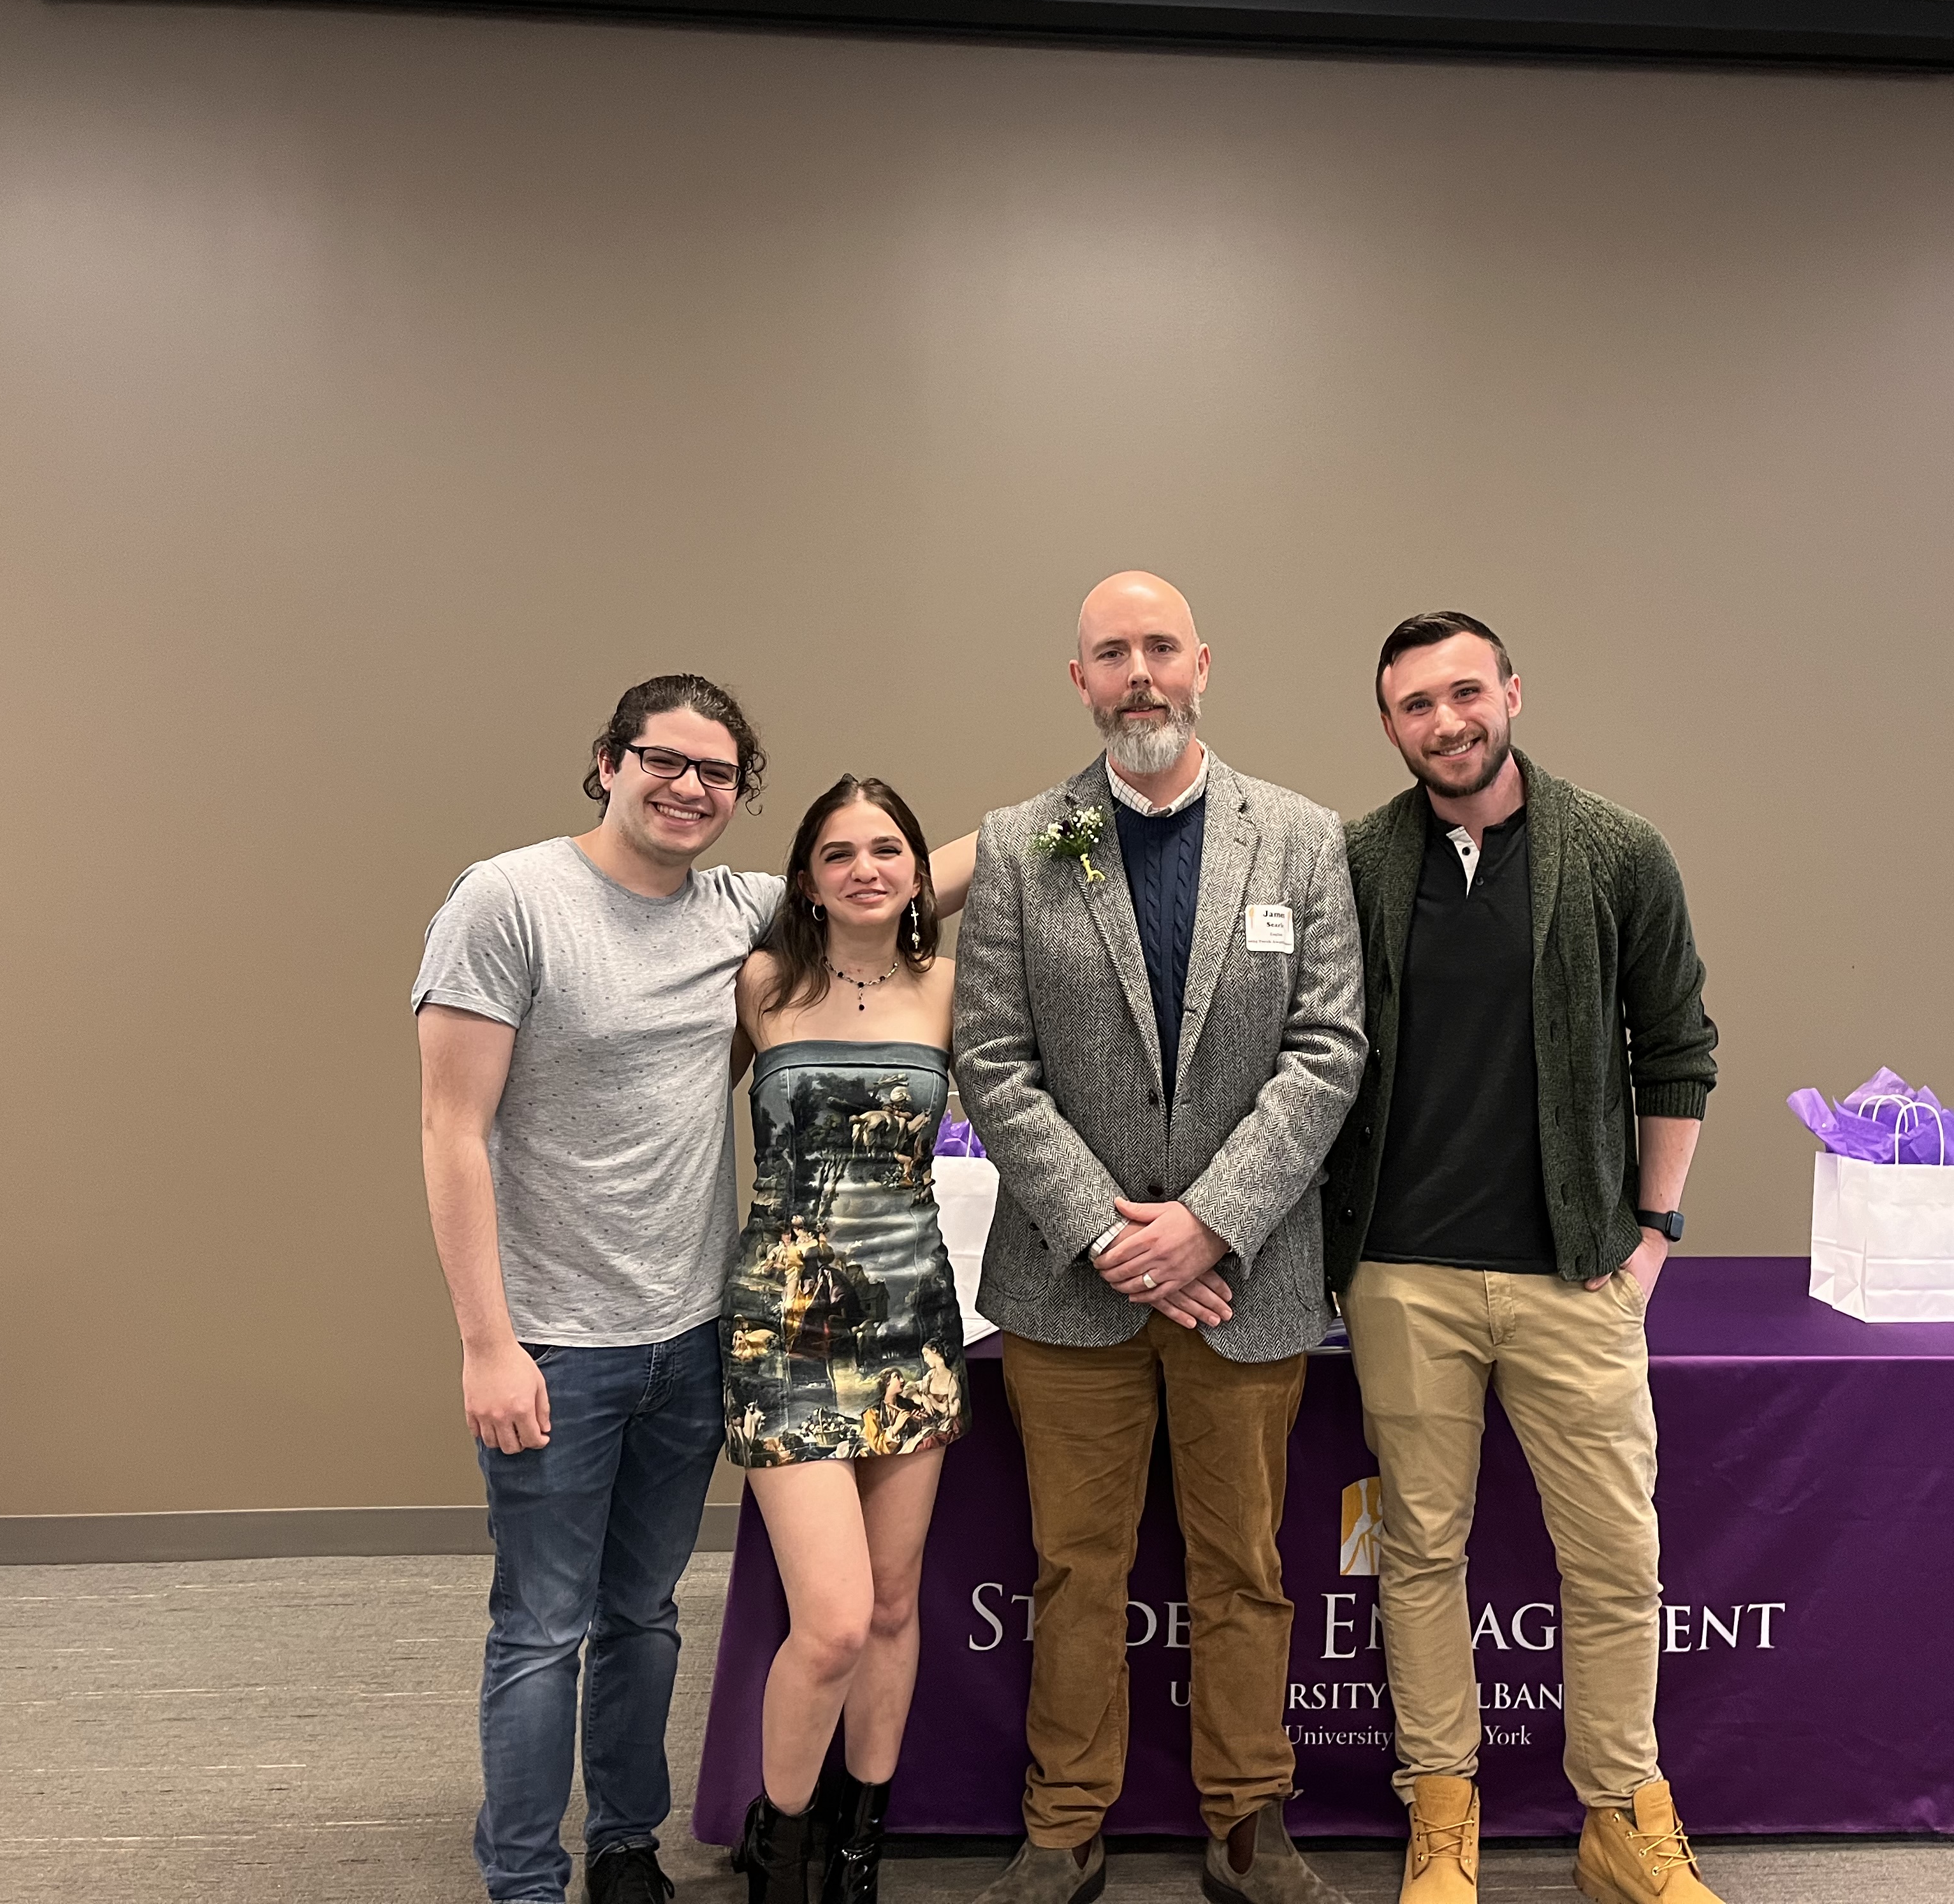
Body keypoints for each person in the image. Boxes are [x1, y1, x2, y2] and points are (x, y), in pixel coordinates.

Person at [414, 678, 972, 1904]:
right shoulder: (516, 901)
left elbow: (947, 861)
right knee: (545, 1629)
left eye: (717, 775)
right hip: (577, 1334)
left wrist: (1106, 800)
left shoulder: (750, 921)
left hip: (727, 1327)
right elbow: (453, 1131)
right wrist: (484, 1341)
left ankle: (631, 1849)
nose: (688, 789)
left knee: (651, 1615)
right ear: (608, 761)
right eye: (664, 762)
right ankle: (526, 1879)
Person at [954, 571, 1367, 1904]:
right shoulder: (1021, 845)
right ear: (1077, 679)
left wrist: (1208, 1225)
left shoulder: (1303, 841)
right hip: (1071, 1294)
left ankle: (1250, 1816)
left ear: (1204, 665)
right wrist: (1105, 1233)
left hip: (1245, 1281)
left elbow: (1327, 1050)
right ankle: (1065, 1820)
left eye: (1159, 648)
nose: (1139, 672)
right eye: (1109, 652)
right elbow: (993, 1061)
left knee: (1246, 1563)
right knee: (1077, 1566)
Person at [1320, 613, 1722, 1904]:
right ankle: (1445, 1815)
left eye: (1464, 692)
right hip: (1402, 1274)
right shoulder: (1358, 859)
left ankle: (1623, 1816)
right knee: (1422, 1551)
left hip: (1577, 1274)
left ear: (1511, 693)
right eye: (1415, 705)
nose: (1446, 721)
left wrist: (1654, 1232)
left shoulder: (1615, 851)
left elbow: (1676, 1049)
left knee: (1615, 1556)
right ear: (1392, 726)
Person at [727, 775, 972, 1904]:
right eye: (838, 853)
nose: (865, 868)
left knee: (890, 1603)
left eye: (888, 849)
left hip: (913, 1327)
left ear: (921, 873)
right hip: (784, 1332)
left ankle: (860, 1847)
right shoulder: (763, 982)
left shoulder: (951, 989)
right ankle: (779, 1849)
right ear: (807, 879)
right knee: (827, 1620)